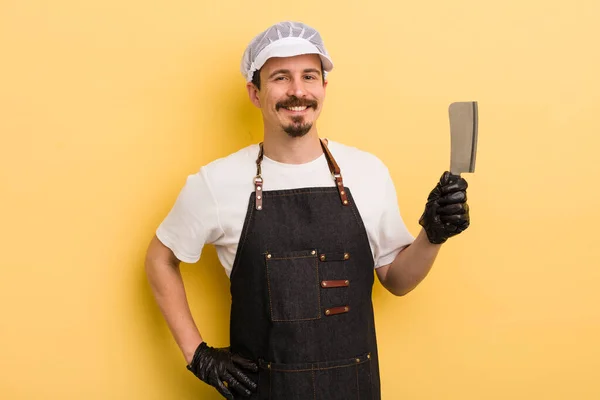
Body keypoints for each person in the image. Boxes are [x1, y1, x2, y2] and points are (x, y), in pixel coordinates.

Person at [144, 21, 470, 400]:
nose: (297, 91)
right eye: (280, 77)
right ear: (255, 92)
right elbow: (159, 258)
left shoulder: (367, 172)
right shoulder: (217, 183)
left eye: (309, 76)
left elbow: (397, 281)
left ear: (324, 87)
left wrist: (433, 234)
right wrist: (198, 355)